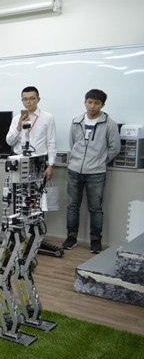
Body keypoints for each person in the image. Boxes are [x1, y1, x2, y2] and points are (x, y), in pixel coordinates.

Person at [62, 89, 120, 254]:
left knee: (96, 208)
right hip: (74, 170)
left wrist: (100, 161)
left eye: (96, 103)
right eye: (90, 102)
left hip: (96, 173)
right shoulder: (76, 122)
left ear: (102, 105)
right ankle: (71, 237)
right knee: (72, 206)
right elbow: (73, 144)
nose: (92, 106)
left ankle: (95, 240)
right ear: (85, 102)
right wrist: (77, 160)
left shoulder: (109, 124)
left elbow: (115, 148)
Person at [5, 86, 56, 181]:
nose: (28, 102)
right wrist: (18, 127)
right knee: (18, 189)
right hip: (19, 160)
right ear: (22, 100)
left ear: (38, 99)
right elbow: (9, 142)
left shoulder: (47, 117)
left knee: (37, 189)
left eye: (32, 98)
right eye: (25, 99)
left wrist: (51, 165)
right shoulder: (17, 119)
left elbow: (51, 142)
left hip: (38, 161)